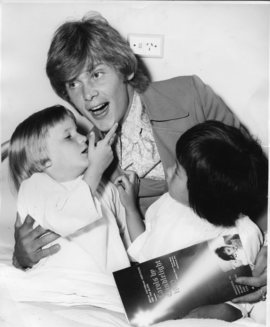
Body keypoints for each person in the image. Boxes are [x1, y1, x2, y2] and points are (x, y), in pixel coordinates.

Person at [12, 12, 267, 303]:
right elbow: (61, 216)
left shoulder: (190, 96)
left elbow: (258, 176)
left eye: (96, 74)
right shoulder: (83, 154)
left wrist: (267, 249)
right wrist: (23, 256)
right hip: (167, 268)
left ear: (125, 70)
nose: (87, 94)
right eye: (73, 84)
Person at [116, 120, 268, 321]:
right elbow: (143, 247)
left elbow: (241, 299)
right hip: (154, 306)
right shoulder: (168, 204)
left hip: (202, 318)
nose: (168, 170)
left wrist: (210, 313)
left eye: (177, 171)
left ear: (203, 193)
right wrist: (130, 208)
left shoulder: (241, 236)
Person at [9, 104, 133, 273]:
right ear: (43, 160)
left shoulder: (104, 187)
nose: (83, 138)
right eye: (68, 136)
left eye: (77, 131)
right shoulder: (34, 186)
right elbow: (65, 218)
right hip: (59, 286)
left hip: (104, 287)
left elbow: (130, 242)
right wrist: (95, 169)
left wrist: (130, 206)